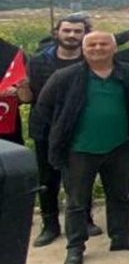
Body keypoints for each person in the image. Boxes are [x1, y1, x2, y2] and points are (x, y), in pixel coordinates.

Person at [35, 30, 129, 264]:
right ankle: (75, 247)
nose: (97, 48)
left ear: (113, 48)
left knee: (120, 196)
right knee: (77, 202)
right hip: (79, 150)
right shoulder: (65, 77)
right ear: (83, 48)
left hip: (120, 146)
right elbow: (44, 108)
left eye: (103, 44)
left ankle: (121, 237)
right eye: (92, 45)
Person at [27, 15, 98, 246]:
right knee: (48, 178)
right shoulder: (38, 61)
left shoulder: (93, 60)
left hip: (82, 128)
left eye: (78, 31)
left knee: (81, 177)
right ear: (57, 32)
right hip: (46, 128)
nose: (72, 36)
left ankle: (84, 219)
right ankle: (50, 224)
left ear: (85, 34)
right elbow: (34, 98)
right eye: (67, 31)